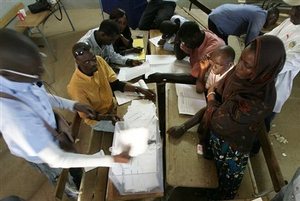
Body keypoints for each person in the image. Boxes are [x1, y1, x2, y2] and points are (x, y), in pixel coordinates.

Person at [0, 29, 130, 198]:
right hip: (42, 154)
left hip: (52, 128)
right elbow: (58, 159)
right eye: (34, 71)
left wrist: (74, 105)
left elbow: (42, 96)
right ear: (8, 74)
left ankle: (79, 176)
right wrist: (111, 160)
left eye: (39, 62)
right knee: (61, 178)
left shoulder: (21, 77)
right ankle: (75, 195)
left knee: (75, 165)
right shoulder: (14, 117)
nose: (41, 71)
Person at [168, 35, 286, 199]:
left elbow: (220, 120)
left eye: (247, 65)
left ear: (265, 70)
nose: (238, 68)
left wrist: (211, 99)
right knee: (201, 172)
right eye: (241, 60)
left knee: (223, 190)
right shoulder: (240, 75)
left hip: (232, 150)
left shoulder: (260, 99)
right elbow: (217, 90)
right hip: (216, 138)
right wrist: (212, 99)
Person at [67, 42, 156, 128]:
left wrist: (140, 89)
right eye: (87, 62)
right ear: (77, 62)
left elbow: (115, 84)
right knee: (130, 129)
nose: (93, 64)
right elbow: (88, 114)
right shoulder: (75, 87)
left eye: (93, 58)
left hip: (112, 105)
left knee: (144, 117)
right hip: (99, 118)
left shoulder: (99, 60)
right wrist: (108, 117)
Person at [148, 21, 225, 84]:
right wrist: (177, 40)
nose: (186, 45)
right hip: (195, 70)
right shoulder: (196, 38)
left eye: (186, 42)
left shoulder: (212, 49)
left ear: (195, 36)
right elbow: (179, 56)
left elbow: (193, 78)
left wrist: (163, 76)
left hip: (212, 81)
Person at [208, 4, 279, 45]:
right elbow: (249, 40)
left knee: (223, 47)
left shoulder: (259, 11)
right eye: (273, 23)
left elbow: (255, 31)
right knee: (222, 50)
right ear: (272, 18)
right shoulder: (260, 18)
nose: (271, 25)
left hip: (218, 16)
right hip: (217, 21)